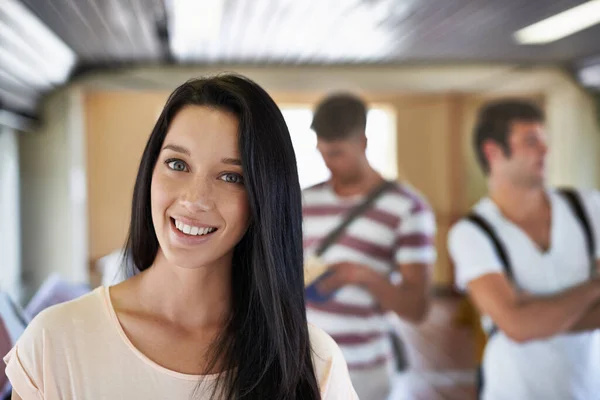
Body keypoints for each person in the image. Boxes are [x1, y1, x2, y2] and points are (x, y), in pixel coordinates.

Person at [4, 75, 357, 399]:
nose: (194, 199)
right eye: (177, 164)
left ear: (263, 199)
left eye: (231, 177)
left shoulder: (312, 363)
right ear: (150, 171)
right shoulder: (57, 340)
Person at [448, 99, 600, 399]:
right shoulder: (471, 233)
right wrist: (594, 288)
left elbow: (523, 324)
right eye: (531, 142)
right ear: (493, 151)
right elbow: (517, 326)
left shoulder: (589, 207)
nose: (545, 151)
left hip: (588, 388)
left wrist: (534, 314)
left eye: (545, 141)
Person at [302, 93, 436, 399]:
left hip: (362, 369)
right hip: (302, 360)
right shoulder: (304, 200)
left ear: (362, 142)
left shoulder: (407, 207)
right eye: (322, 152)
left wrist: (361, 275)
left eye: (336, 153)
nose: (328, 163)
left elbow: (417, 308)